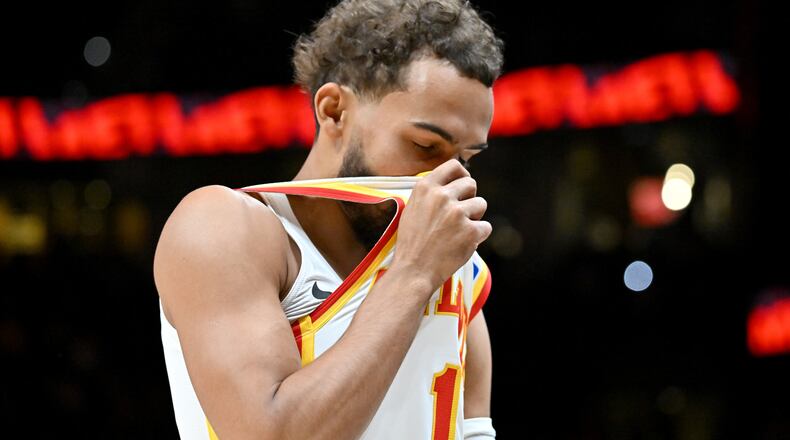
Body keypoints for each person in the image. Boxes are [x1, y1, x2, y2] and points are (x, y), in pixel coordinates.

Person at [153, 0, 504, 438]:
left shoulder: (455, 272)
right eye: (425, 146)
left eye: (466, 159)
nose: (447, 180)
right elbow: (271, 433)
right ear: (334, 109)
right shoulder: (224, 227)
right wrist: (412, 274)